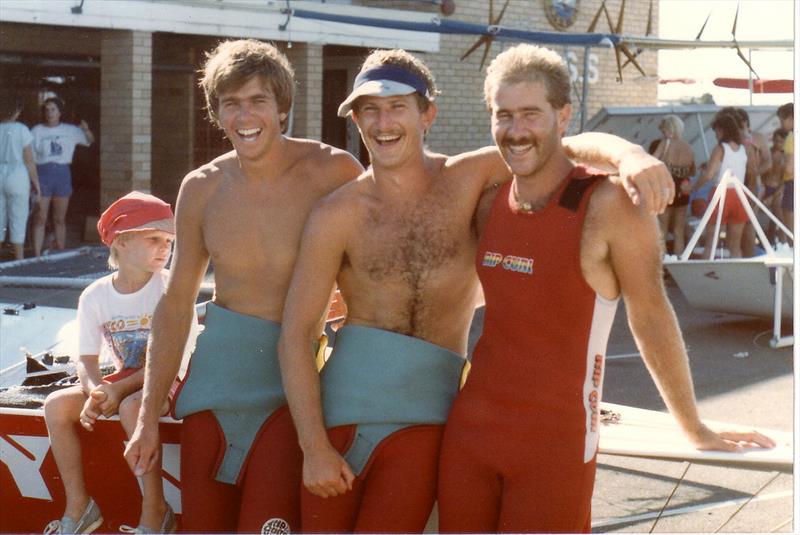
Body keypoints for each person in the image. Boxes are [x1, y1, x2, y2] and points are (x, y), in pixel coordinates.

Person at [277, 48, 673, 533]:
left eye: (397, 106)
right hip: (343, 415)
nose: (382, 123)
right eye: (368, 110)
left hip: (431, 421)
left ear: (428, 114)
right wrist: (313, 446)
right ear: (356, 120)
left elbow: (561, 142)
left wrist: (629, 154)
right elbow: (297, 334)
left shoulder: (470, 176)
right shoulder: (335, 214)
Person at [436, 43, 776, 534]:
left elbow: (651, 316)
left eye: (531, 114)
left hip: (555, 446)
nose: (515, 130)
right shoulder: (488, 203)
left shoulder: (610, 204)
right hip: (470, 436)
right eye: (503, 115)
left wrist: (694, 426)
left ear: (564, 116)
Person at [122, 39, 365, 533]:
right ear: (216, 113)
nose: (245, 115)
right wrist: (148, 416)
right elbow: (176, 303)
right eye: (231, 103)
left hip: (288, 388)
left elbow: (374, 272)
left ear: (282, 108)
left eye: (257, 101)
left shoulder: (333, 171)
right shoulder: (203, 186)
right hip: (214, 385)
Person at [42, 191, 191, 534]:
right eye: (153, 238)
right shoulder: (95, 295)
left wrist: (117, 389)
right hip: (122, 383)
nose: (164, 247)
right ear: (121, 242)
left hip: (172, 379)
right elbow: (86, 358)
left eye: (168, 240)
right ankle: (79, 507)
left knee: (130, 408)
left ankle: (155, 512)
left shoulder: (171, 288)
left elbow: (174, 357)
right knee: (56, 405)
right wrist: (95, 391)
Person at [31, 96, 94, 256]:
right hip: (43, 172)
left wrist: (86, 129)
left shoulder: (70, 130)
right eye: (47, 109)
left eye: (53, 109)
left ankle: (60, 250)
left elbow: (89, 141)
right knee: (41, 217)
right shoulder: (37, 131)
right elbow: (30, 156)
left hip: (62, 173)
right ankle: (37, 254)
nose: (49, 113)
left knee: (59, 218)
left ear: (60, 112)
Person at [691, 111, 751, 258]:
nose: (716, 134)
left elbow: (709, 175)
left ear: (723, 130)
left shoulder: (720, 148)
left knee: (711, 241)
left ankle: (707, 274)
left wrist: (695, 187)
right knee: (735, 244)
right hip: (739, 194)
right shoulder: (743, 149)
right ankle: (736, 275)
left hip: (721, 193)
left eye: (717, 131)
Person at [0, 100, 40, 259]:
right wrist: (36, 184)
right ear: (16, 112)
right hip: (17, 173)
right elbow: (29, 160)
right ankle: (19, 259)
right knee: (18, 217)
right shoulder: (22, 129)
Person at [652, 115, 695, 255]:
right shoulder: (688, 147)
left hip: (667, 185)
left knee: (662, 228)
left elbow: (652, 161)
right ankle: (678, 262)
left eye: (663, 130)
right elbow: (692, 170)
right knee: (679, 230)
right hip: (684, 186)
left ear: (669, 129)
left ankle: (661, 264)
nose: (662, 133)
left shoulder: (665, 143)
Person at [776, 103, 793, 238]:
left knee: (792, 233)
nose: (781, 124)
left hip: (792, 184)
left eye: (782, 120)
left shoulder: (791, 138)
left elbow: (789, 167)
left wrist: (779, 162)